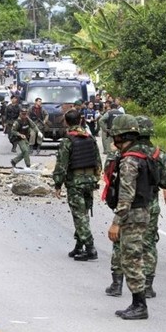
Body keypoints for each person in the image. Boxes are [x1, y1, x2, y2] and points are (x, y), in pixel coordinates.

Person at [104, 116, 166, 299]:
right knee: (148, 244)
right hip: (150, 203)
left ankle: (118, 283)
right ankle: (148, 286)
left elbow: (113, 178)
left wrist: (117, 220)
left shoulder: (126, 156)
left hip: (131, 207)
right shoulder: (157, 154)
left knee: (124, 246)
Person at [103, 114, 154, 320]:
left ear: (121, 136)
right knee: (133, 257)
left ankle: (139, 305)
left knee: (131, 259)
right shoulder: (142, 154)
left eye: (115, 137)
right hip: (141, 212)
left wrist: (116, 222)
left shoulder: (129, 160)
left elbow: (126, 195)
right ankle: (137, 303)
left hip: (132, 214)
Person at [53, 109, 102, 261]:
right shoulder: (90, 138)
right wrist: (95, 178)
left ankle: (90, 247)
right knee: (83, 213)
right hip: (89, 181)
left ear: (67, 122)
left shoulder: (68, 141)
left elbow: (61, 165)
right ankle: (79, 246)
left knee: (79, 215)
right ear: (81, 121)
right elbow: (98, 162)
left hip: (75, 182)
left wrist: (57, 184)